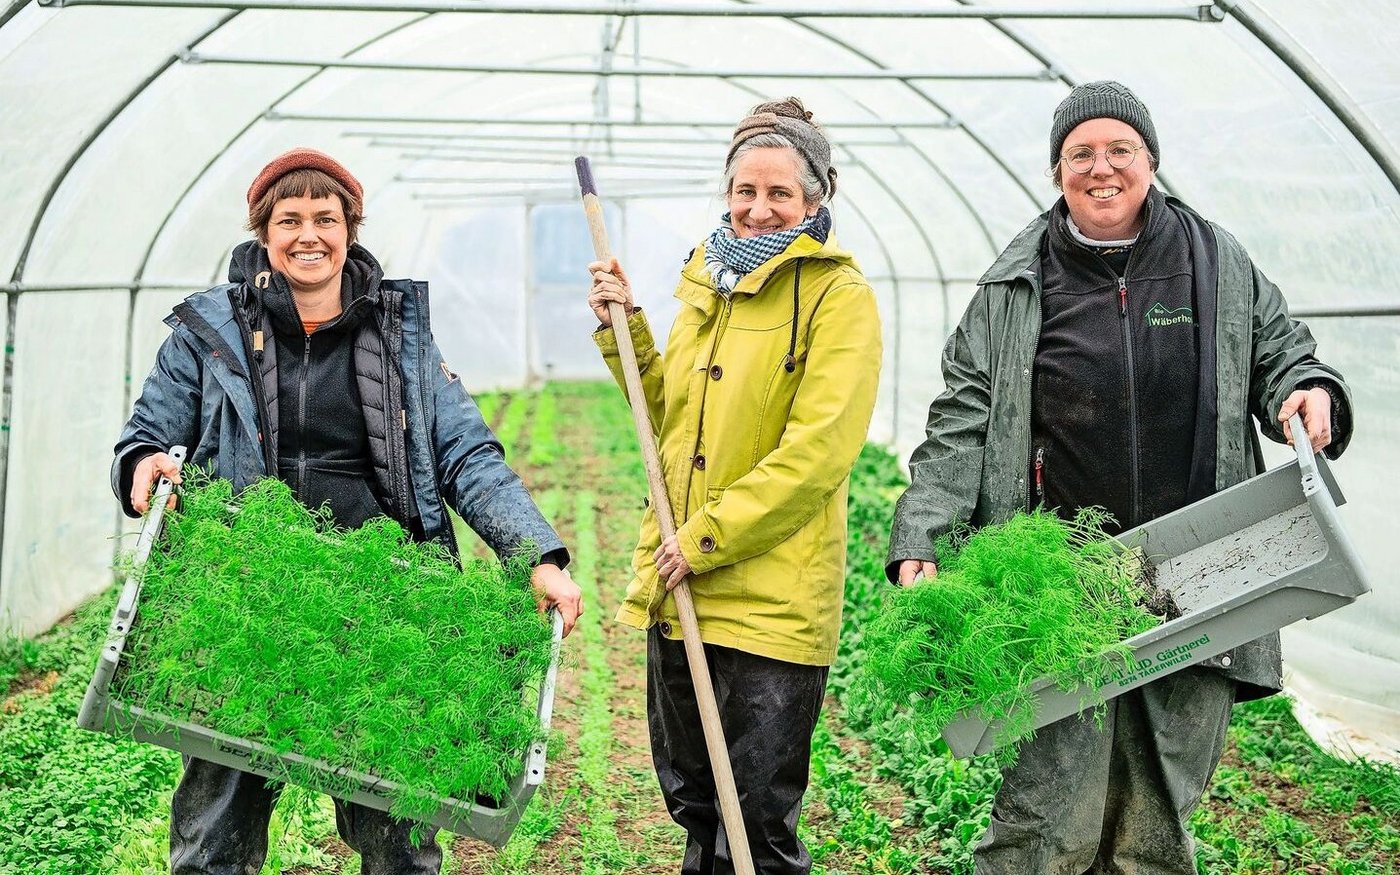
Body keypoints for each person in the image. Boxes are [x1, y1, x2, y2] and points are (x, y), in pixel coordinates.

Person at [887, 80, 1352, 874]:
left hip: (1202, 567)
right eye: (1080, 154)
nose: (1101, 169)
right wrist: (921, 534)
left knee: (1157, 818)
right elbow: (962, 418)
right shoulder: (1014, 285)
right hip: (1057, 582)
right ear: (1057, 171)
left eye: (1119, 150)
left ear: (1151, 160)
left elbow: (1280, 351)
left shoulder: (1216, 261)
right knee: (1046, 815)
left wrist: (1308, 388)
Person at [112, 147, 583, 875]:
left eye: (325, 218)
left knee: (398, 838)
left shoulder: (400, 338)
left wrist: (537, 554)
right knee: (214, 834)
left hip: (381, 607)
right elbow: (149, 432)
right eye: (289, 219)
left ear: (349, 230)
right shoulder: (208, 332)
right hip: (244, 601)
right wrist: (145, 463)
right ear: (263, 231)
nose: (309, 235)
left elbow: (467, 454)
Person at [586, 97, 882, 874]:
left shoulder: (836, 296)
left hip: (769, 603)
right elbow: (671, 423)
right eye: (745, 190)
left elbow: (817, 452)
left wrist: (706, 537)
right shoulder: (706, 283)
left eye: (780, 192)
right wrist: (626, 328)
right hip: (683, 585)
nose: (758, 207)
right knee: (694, 803)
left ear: (814, 200)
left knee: (754, 823)